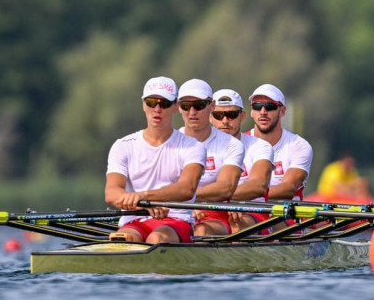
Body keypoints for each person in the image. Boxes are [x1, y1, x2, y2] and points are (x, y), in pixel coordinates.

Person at [104, 76, 206, 244]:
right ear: (144, 105)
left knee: (157, 238)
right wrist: (143, 204)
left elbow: (186, 189)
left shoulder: (192, 147)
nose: (157, 109)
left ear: (176, 107)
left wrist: (145, 196)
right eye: (152, 102)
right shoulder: (122, 145)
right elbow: (112, 193)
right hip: (134, 221)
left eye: (164, 103)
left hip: (176, 221)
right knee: (124, 239)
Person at [173, 79, 245, 238]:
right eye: (186, 106)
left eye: (199, 105)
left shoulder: (231, 144)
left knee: (200, 231)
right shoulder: (169, 143)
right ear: (178, 107)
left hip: (215, 215)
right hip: (172, 211)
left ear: (211, 106)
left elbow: (225, 189)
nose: (192, 112)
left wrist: (187, 198)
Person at [200, 88, 274, 234]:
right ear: (210, 117)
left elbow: (258, 186)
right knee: (200, 230)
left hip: (250, 211)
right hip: (209, 210)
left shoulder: (260, 146)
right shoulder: (198, 147)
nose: (225, 121)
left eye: (232, 115)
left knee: (238, 227)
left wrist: (217, 197)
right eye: (218, 115)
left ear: (242, 116)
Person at [248, 84, 312, 201]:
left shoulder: (299, 145)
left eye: (270, 106)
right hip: (247, 214)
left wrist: (249, 197)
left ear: (282, 111)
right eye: (257, 106)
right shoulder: (238, 144)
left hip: (284, 216)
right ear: (252, 111)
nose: (263, 112)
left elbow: (289, 188)